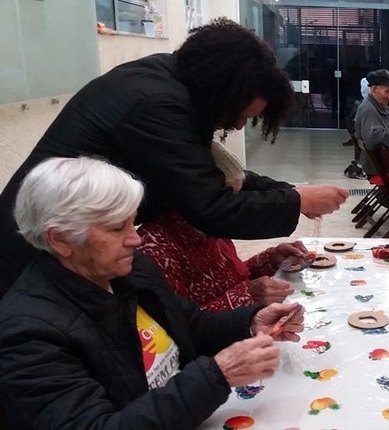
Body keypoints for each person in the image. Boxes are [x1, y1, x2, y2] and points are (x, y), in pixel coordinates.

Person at [0, 17, 349, 296]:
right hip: (32, 256)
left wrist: (294, 194)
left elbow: (211, 174)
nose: (239, 126)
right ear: (222, 91)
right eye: (240, 115)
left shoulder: (174, 80)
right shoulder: (157, 104)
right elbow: (211, 206)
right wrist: (294, 200)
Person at [0, 157, 305, 429]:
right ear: (60, 239)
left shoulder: (128, 269)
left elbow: (189, 325)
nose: (135, 239)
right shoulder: (28, 333)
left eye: (133, 222)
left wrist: (250, 322)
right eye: (117, 228)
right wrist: (217, 375)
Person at [138, 141, 313, 311]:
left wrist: (271, 259)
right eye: (226, 196)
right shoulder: (154, 248)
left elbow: (232, 279)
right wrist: (247, 295)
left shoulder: (210, 224)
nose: (230, 205)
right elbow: (178, 328)